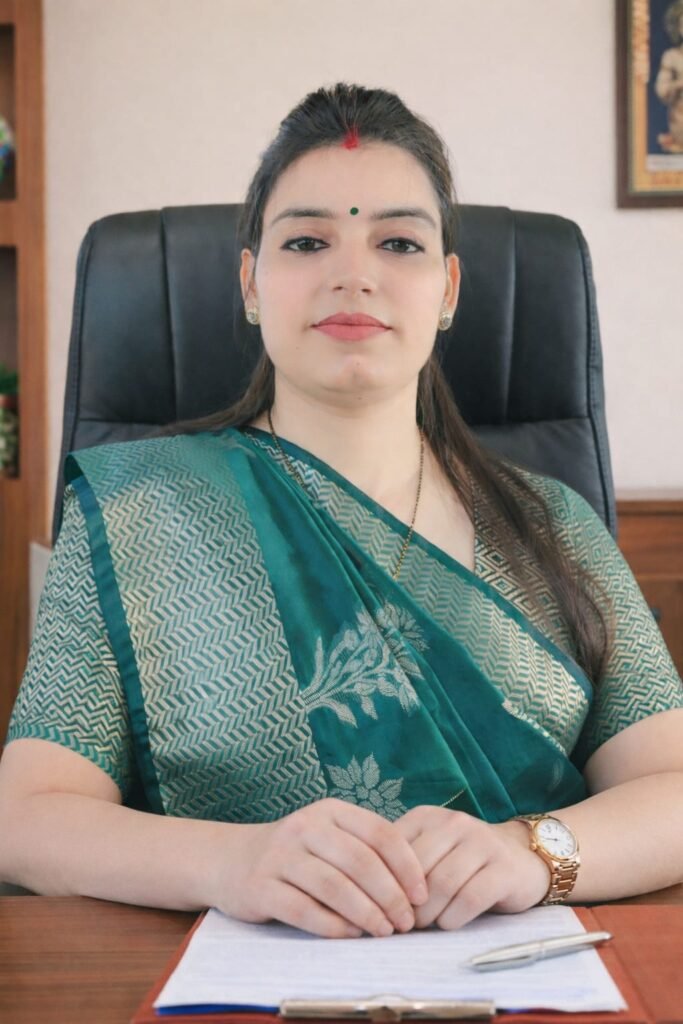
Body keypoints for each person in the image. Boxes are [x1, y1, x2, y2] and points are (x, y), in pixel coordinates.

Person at [0, 82, 682, 940]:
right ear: (250, 283)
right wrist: (232, 862)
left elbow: (671, 788)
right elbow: (26, 815)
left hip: (518, 977)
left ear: (447, 289)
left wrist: (529, 851)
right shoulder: (139, 515)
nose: (352, 275)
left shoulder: (551, 526)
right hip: (224, 981)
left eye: (398, 242)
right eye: (306, 241)